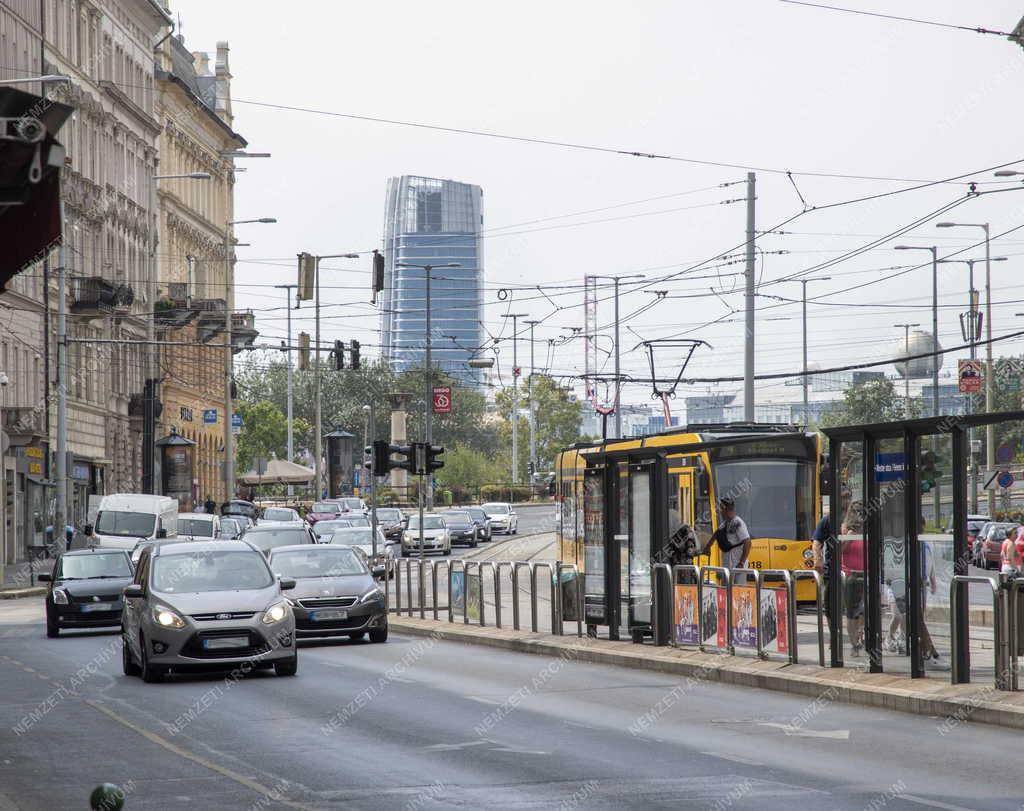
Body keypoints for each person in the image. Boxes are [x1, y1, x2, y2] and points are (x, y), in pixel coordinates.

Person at [840, 500, 866, 657]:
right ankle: (854, 644)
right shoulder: (846, 529)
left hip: (867, 573)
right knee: (852, 612)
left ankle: (860, 634)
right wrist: (848, 538)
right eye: (856, 511)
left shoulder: (868, 528)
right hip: (851, 574)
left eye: (861, 511)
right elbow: (839, 550)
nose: (859, 515)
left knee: (864, 610)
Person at [702, 497, 751, 571]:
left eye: (721, 509)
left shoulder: (737, 523)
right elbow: (716, 533)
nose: (720, 512)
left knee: (736, 579)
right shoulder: (726, 523)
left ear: (726, 510)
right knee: (727, 578)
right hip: (728, 561)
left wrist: (741, 563)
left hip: (737, 562)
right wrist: (708, 547)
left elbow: (748, 542)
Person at [811, 513, 836, 638]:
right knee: (830, 606)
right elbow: (816, 542)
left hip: (856, 569)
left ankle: (858, 635)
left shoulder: (857, 516)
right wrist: (818, 559)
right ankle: (834, 636)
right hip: (831, 570)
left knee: (857, 608)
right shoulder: (828, 519)